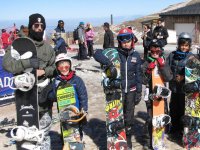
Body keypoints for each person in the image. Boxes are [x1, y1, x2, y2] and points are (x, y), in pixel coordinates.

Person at [2, 13, 56, 149]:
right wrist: (26, 63)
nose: (39, 28)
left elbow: (55, 68)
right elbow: (7, 64)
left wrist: (43, 71)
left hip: (43, 98)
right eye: (36, 25)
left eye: (41, 26)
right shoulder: (19, 44)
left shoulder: (48, 49)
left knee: (43, 134)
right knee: (28, 135)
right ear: (30, 26)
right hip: (25, 99)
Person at [94, 28, 143, 149]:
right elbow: (97, 53)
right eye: (122, 40)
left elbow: (139, 75)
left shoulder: (136, 56)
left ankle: (128, 139)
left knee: (129, 117)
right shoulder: (115, 53)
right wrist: (108, 62)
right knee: (117, 116)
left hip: (131, 92)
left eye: (128, 40)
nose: (125, 43)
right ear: (119, 41)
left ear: (132, 40)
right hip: (118, 92)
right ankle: (117, 138)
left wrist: (139, 91)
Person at [51, 53, 88, 145]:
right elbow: (54, 96)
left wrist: (84, 108)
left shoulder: (76, 80)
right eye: (61, 66)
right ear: (57, 68)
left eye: (66, 66)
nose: (64, 68)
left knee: (77, 132)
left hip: (76, 112)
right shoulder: (56, 81)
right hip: (64, 112)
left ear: (70, 66)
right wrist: (50, 94)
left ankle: (78, 144)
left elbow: (83, 95)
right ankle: (66, 144)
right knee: (66, 131)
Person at [142, 39, 173, 149]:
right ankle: (150, 140)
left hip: (161, 96)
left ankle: (159, 139)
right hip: (151, 95)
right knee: (151, 117)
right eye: (152, 49)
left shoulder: (163, 61)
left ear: (161, 50)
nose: (155, 52)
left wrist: (162, 66)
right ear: (150, 50)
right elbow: (143, 80)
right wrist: (148, 71)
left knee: (160, 116)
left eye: (157, 49)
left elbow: (169, 77)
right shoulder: (146, 62)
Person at [166, 32, 193, 139]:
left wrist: (183, 77)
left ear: (189, 46)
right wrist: (171, 76)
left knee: (183, 110)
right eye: (182, 45)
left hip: (184, 90)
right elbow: (167, 68)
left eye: (186, 45)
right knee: (173, 108)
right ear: (178, 44)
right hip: (174, 88)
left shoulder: (191, 57)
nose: (184, 47)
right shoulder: (172, 55)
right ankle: (174, 127)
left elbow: (194, 72)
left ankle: (183, 129)